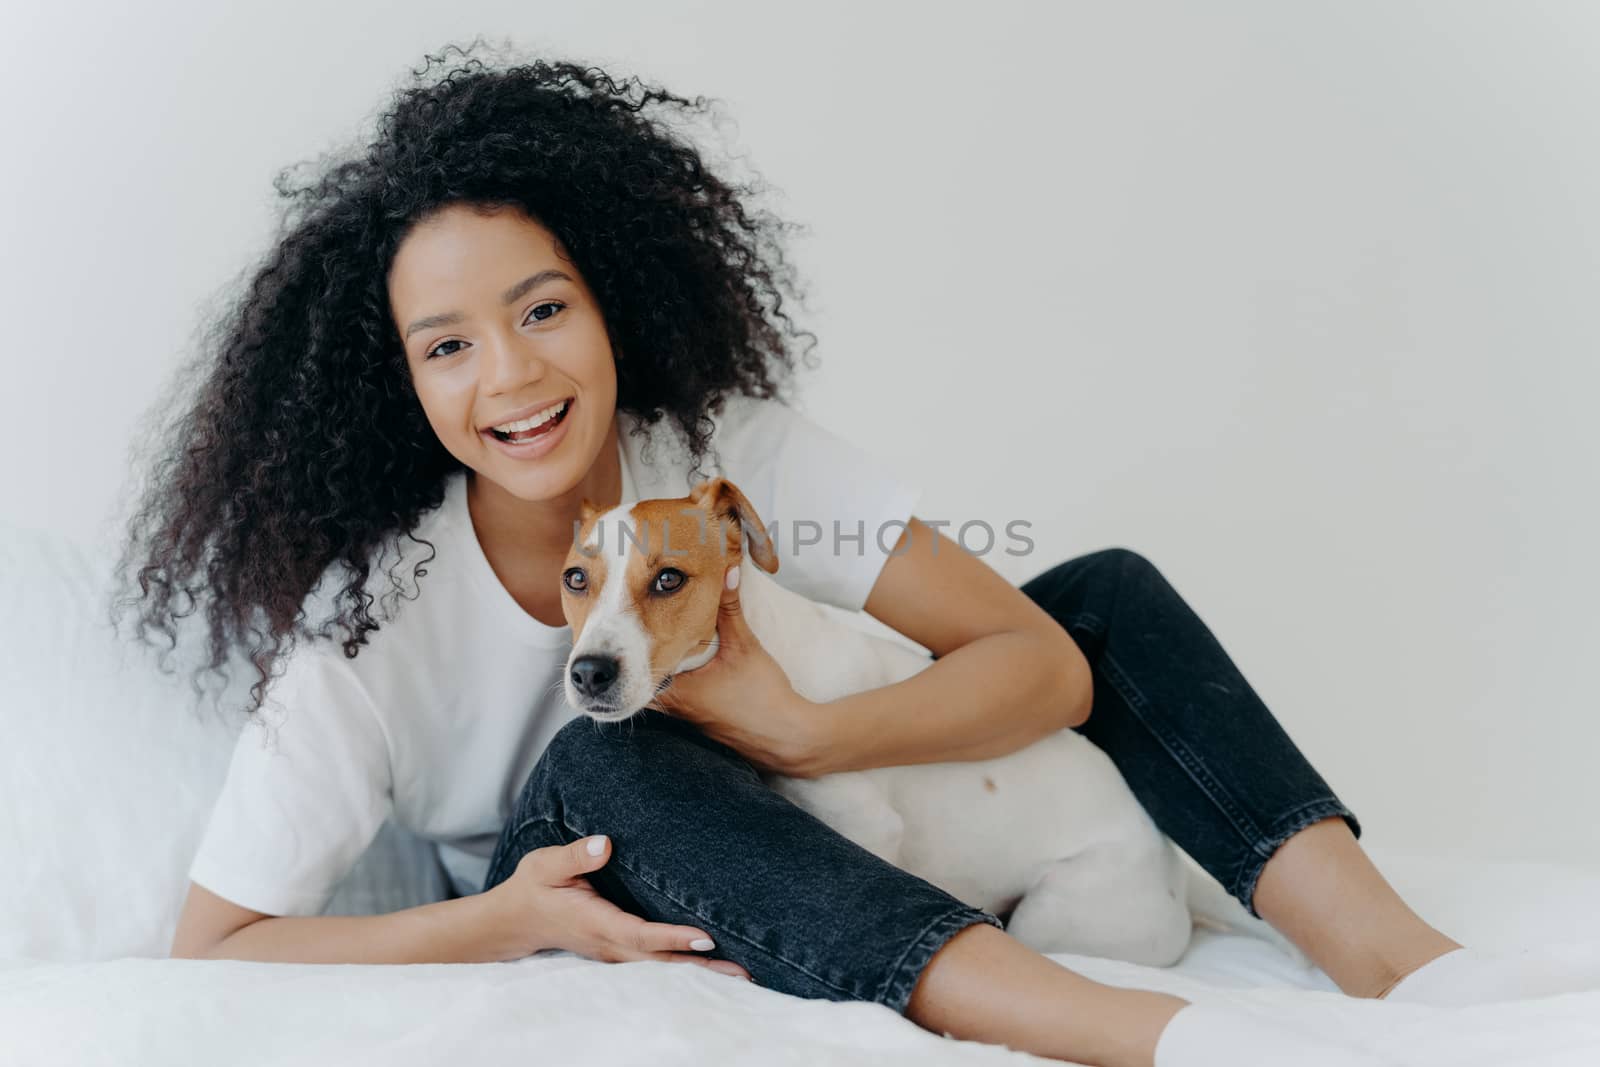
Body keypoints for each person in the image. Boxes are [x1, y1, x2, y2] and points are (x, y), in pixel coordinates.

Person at [113, 43, 1592, 1067]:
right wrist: (502, 919)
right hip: (611, 861)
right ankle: (1141, 1034)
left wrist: (809, 733)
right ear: (399, 385)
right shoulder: (368, 630)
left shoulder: (727, 455)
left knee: (1105, 591)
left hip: (812, 810)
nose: (511, 375)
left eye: (543, 307)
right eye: (448, 345)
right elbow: (219, 945)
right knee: (608, 758)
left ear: (615, 300)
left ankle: (1407, 965)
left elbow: (1047, 662)